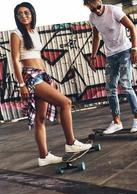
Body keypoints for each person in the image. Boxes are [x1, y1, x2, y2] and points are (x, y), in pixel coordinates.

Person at [10, 2, 92, 167]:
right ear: (17, 17)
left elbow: (38, 57)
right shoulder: (16, 33)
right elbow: (15, 59)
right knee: (66, 102)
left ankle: (44, 156)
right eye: (20, 14)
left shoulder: (34, 32)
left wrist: (49, 79)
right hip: (30, 76)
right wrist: (21, 85)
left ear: (32, 14)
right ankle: (70, 143)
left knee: (40, 119)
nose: (24, 16)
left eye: (26, 12)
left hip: (41, 75)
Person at [83, 0, 137, 134]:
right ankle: (117, 121)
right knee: (110, 88)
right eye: (93, 9)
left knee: (125, 84)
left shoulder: (113, 10)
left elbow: (132, 27)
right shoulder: (92, 18)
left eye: (98, 7)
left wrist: (134, 48)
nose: (97, 11)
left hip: (124, 51)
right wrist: (93, 56)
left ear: (100, 1)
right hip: (110, 55)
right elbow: (96, 36)